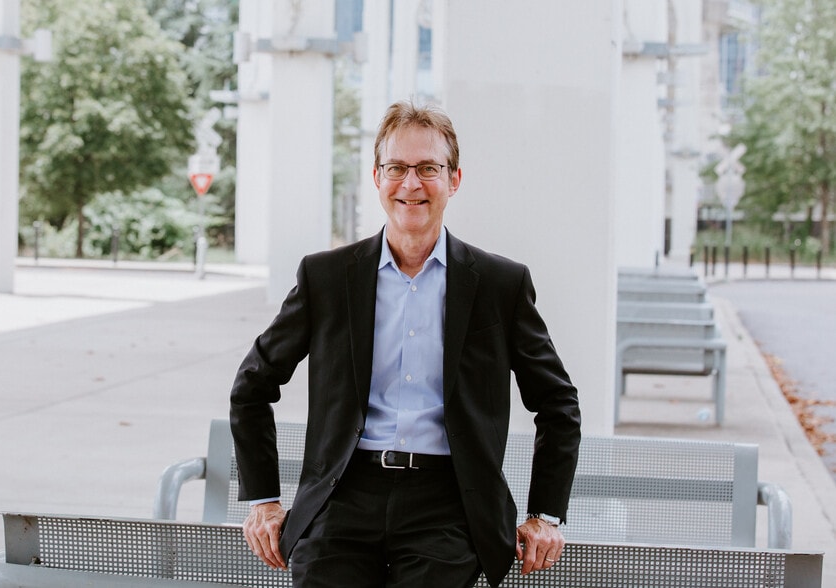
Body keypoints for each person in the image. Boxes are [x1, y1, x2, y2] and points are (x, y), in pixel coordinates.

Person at [229, 100, 581, 588]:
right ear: (377, 177)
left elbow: (558, 402)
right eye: (396, 168)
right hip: (342, 498)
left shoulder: (500, 284)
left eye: (428, 169)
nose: (411, 184)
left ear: (454, 180)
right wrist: (264, 500)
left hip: (450, 506)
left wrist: (546, 514)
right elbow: (252, 385)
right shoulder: (326, 277)